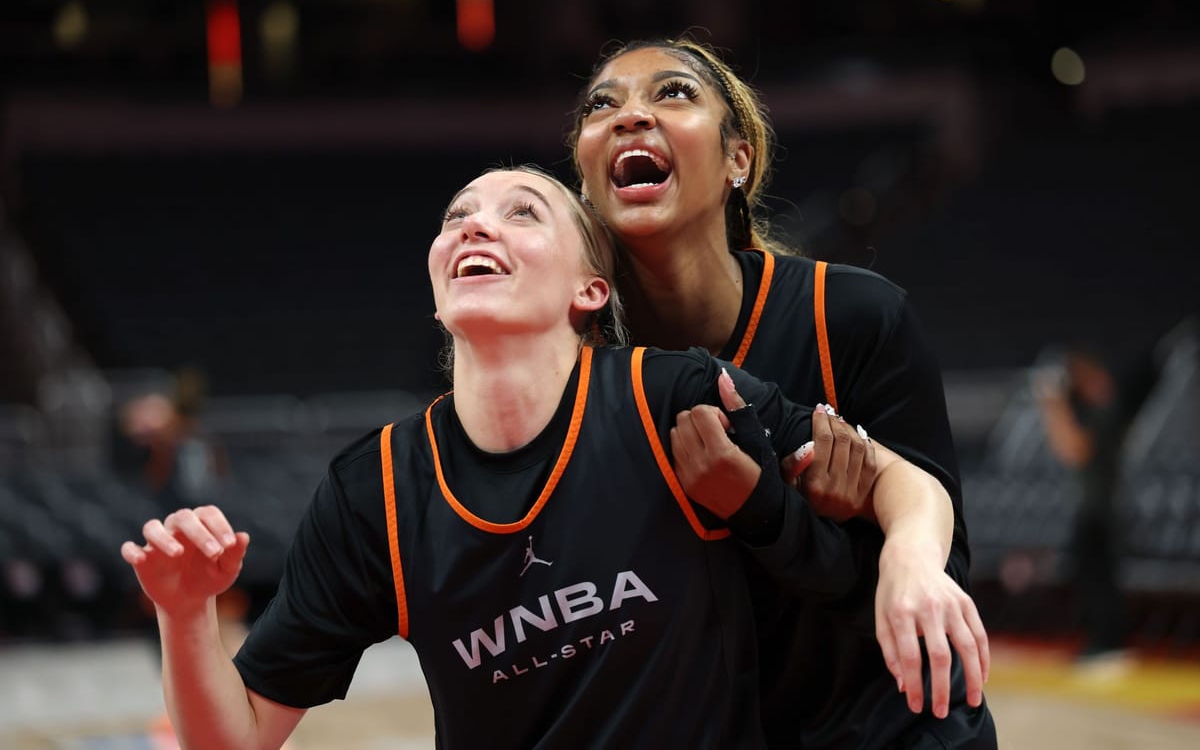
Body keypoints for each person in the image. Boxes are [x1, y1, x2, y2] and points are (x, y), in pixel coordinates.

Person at [121, 167, 965, 749]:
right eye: (456, 216)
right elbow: (235, 738)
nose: (474, 224)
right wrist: (184, 613)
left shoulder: (672, 396)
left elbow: (901, 479)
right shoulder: (374, 489)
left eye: (522, 212)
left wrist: (913, 563)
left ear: (590, 290)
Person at [568, 37, 996, 747]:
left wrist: (898, 550)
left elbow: (931, 582)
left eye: (673, 93)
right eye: (601, 105)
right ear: (584, 179)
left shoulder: (851, 315)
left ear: (738, 160)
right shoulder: (571, 374)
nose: (630, 115)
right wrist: (794, 517)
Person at [1033, 343, 1153, 667]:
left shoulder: (1105, 411)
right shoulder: (1092, 409)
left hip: (1104, 509)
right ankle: (1101, 642)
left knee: (1101, 579)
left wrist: (1053, 405)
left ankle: (1110, 644)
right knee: (1089, 576)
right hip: (1093, 509)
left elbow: (1073, 449)